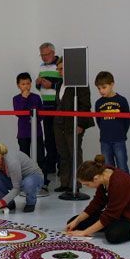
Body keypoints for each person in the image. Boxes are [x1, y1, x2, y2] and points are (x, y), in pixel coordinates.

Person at [66, 155, 130, 244]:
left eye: (87, 184)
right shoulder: (103, 175)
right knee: (74, 222)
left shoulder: (119, 182)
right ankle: (106, 225)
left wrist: (85, 232)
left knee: (112, 235)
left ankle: (113, 227)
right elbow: (96, 204)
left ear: (95, 178)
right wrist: (77, 220)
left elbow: (110, 215)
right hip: (117, 214)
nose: (87, 187)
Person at [53, 58, 94, 193]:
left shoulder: (80, 83)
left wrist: (81, 124)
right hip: (59, 124)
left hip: (74, 124)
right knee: (63, 153)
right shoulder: (59, 83)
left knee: (74, 153)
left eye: (62, 69)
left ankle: (76, 184)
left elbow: (85, 105)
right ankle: (65, 182)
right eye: (58, 69)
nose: (59, 71)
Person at [0, 143, 43, 213]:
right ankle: (9, 204)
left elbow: (17, 187)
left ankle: (31, 202)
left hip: (34, 178)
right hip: (16, 180)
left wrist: (2, 202)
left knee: (28, 183)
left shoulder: (12, 161)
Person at [93, 71, 130, 173]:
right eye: (99, 88)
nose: (101, 91)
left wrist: (121, 133)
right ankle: (111, 184)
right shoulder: (98, 103)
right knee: (108, 168)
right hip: (105, 140)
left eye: (104, 87)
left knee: (122, 166)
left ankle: (124, 184)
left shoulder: (122, 100)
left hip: (119, 140)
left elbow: (127, 120)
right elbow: (99, 121)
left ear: (112, 84)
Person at [12, 72, 45, 185]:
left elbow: (41, 114)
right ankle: (26, 182)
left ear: (31, 84)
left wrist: (35, 119)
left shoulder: (36, 97)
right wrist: (24, 98)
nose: (26, 86)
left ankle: (42, 181)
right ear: (18, 85)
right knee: (24, 158)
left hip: (37, 132)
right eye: (23, 84)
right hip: (23, 133)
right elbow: (19, 113)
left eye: (28, 83)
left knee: (40, 157)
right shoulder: (16, 99)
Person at [36, 42, 62, 181]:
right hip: (45, 106)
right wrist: (38, 83)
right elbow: (39, 87)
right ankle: (50, 165)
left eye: (46, 54)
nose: (44, 57)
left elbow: (65, 85)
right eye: (42, 55)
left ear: (53, 52)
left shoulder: (60, 64)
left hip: (58, 106)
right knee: (49, 138)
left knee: (59, 138)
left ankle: (62, 167)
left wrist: (52, 85)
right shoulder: (42, 66)